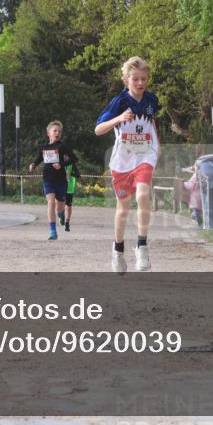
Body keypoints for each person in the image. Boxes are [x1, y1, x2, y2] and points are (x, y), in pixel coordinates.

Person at [95, 56, 161, 273]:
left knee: (143, 195)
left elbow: (150, 123)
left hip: (144, 156)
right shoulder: (119, 102)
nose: (140, 83)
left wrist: (156, 147)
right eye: (135, 79)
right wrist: (118, 119)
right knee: (123, 209)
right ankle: (118, 250)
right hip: (123, 160)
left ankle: (142, 246)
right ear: (126, 80)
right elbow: (98, 129)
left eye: (144, 79)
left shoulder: (151, 101)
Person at [29, 120, 77, 240]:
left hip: (61, 181)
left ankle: (61, 215)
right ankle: (52, 231)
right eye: (55, 130)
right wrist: (33, 164)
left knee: (59, 207)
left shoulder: (62, 146)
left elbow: (74, 159)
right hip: (48, 179)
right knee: (51, 202)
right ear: (48, 133)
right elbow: (39, 158)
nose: (57, 133)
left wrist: (61, 164)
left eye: (59, 131)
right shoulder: (43, 147)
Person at [63, 160, 80, 232]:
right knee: (60, 204)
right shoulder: (58, 163)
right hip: (60, 187)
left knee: (68, 206)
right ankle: (61, 216)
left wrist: (70, 174)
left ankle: (67, 222)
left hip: (69, 189)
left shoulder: (71, 164)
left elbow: (78, 175)